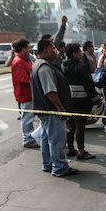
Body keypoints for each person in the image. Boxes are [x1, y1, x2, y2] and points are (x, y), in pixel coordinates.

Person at [30, 39, 78, 177]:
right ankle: (60, 167)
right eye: (53, 49)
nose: (56, 52)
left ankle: (48, 163)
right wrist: (61, 109)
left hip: (44, 109)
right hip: (51, 110)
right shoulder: (44, 67)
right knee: (56, 139)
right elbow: (50, 92)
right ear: (45, 51)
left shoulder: (37, 64)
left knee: (46, 138)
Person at [62, 43, 98, 160]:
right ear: (74, 54)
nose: (81, 53)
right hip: (81, 101)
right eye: (79, 51)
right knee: (80, 126)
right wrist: (95, 98)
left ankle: (71, 148)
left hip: (68, 100)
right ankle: (81, 151)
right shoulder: (81, 66)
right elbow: (88, 84)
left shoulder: (63, 65)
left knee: (70, 125)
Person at [11, 38, 38, 148]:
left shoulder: (24, 59)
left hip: (29, 93)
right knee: (27, 117)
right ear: (23, 49)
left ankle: (29, 137)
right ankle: (27, 139)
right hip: (25, 94)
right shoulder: (19, 61)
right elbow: (23, 79)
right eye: (28, 48)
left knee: (29, 116)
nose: (29, 50)